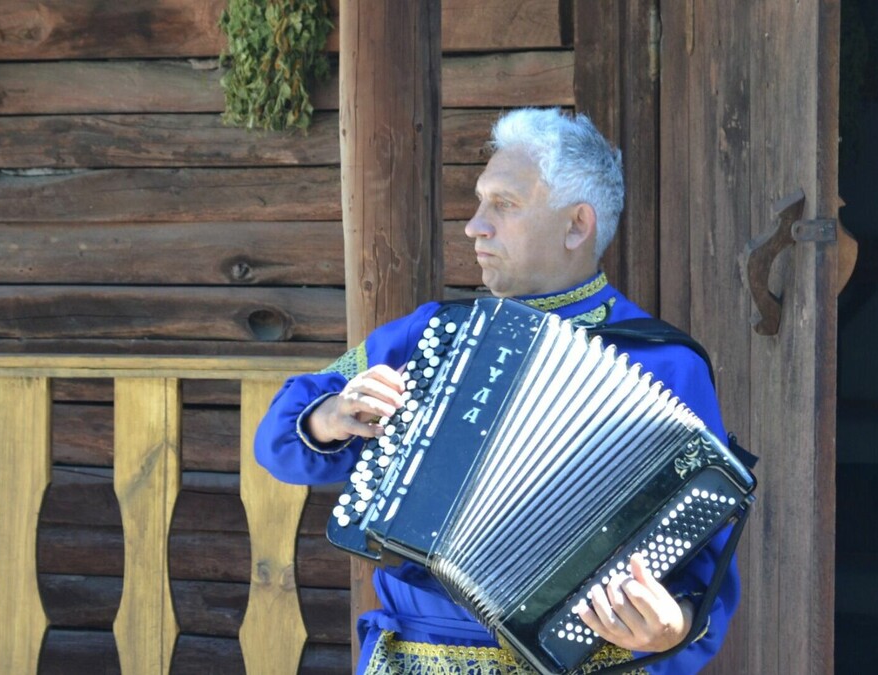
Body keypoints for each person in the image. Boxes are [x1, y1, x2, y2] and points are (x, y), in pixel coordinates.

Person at [254, 108, 740, 674]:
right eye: (481, 202)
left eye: (503, 205)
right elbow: (277, 439)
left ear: (576, 225)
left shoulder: (667, 365)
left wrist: (670, 628)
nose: (475, 225)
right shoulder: (431, 333)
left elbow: (706, 571)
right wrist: (331, 417)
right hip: (416, 659)